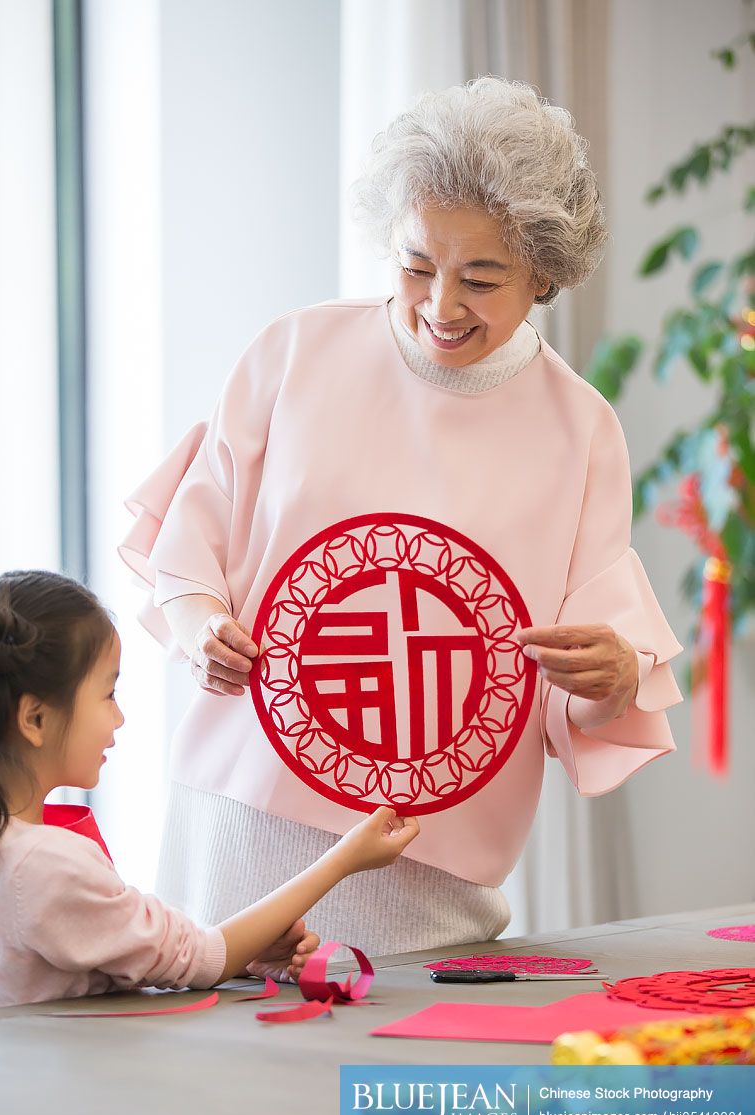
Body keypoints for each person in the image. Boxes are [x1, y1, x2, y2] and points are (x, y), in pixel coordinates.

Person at [120, 76, 682, 957]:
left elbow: (590, 673)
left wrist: (612, 678)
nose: (441, 305)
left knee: (387, 1084)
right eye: (416, 265)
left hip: (423, 867)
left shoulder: (580, 429)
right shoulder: (293, 354)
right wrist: (200, 626)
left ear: (543, 270)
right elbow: (192, 546)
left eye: (482, 278)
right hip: (238, 825)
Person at [0, 571, 418, 1015]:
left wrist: (246, 951)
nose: (119, 717)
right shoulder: (40, 863)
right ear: (35, 718)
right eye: (109, 694)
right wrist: (346, 858)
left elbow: (149, 956)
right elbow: (201, 959)